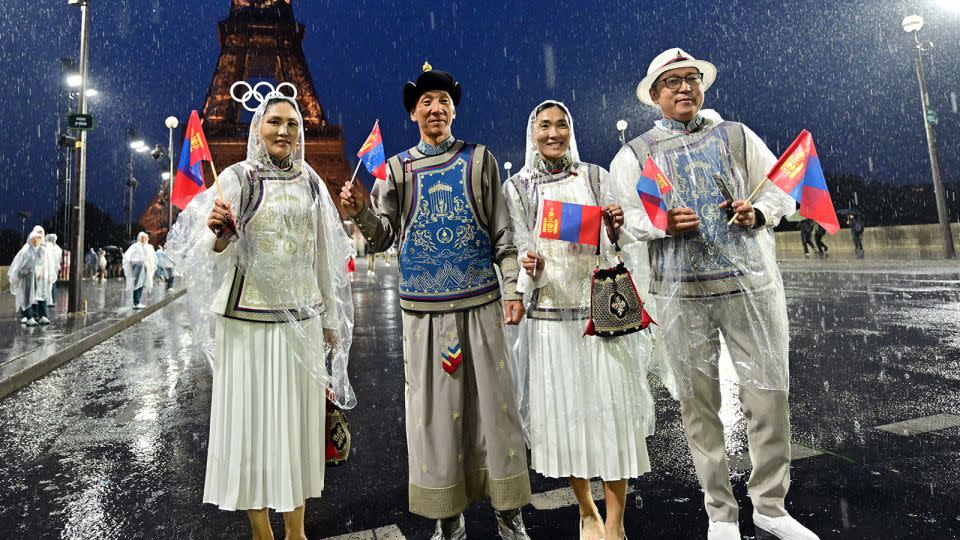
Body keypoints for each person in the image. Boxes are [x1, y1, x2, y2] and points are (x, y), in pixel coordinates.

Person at [611, 48, 819, 540]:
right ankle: (719, 513)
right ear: (655, 95)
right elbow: (622, 218)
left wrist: (758, 213)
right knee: (698, 407)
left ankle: (770, 505)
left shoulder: (736, 136)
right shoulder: (637, 153)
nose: (684, 88)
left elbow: (781, 188)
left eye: (691, 79)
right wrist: (662, 222)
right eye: (673, 82)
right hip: (679, 295)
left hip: (749, 285)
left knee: (769, 395)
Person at [340, 64, 531, 540]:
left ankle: (510, 515)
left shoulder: (480, 160)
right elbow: (383, 238)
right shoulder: (397, 170)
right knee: (435, 417)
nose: (436, 107)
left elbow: (503, 234)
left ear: (453, 109)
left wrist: (511, 289)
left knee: (496, 412)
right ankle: (450, 517)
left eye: (443, 100)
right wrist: (361, 210)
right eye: (426, 101)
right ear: (412, 113)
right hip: (423, 315)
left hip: (481, 305)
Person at [166, 88, 355, 540]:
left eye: (293, 124)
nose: (284, 130)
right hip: (246, 324)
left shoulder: (311, 181)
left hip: (303, 321)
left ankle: (296, 529)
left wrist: (329, 319)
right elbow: (204, 255)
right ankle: (261, 532)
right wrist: (219, 235)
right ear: (257, 129)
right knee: (251, 426)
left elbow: (324, 255)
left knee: (298, 427)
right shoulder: (235, 179)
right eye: (274, 122)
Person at [502, 100, 655, 540]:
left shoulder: (595, 176)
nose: (553, 134)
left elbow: (625, 239)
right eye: (544, 126)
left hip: (600, 318)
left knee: (614, 421)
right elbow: (516, 248)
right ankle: (586, 509)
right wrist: (526, 268)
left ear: (571, 130)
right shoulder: (517, 187)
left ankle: (615, 524)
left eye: (561, 125)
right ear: (532, 134)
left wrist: (615, 225)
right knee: (567, 425)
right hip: (550, 323)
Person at [9, 227, 51, 326]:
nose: (36, 240)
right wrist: (22, 273)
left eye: (38, 238)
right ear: (30, 240)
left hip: (41, 279)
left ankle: (43, 316)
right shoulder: (25, 251)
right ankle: (29, 317)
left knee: (41, 296)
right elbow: (18, 266)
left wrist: (48, 276)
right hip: (28, 279)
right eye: (33, 239)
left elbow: (48, 265)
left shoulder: (44, 251)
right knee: (27, 297)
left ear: (41, 239)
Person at [123, 232, 157, 309]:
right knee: (137, 284)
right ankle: (136, 302)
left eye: (145, 237)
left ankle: (137, 301)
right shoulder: (135, 246)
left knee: (142, 284)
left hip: (145, 268)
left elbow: (153, 257)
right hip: (137, 268)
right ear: (139, 238)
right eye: (142, 237)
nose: (144, 239)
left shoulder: (149, 247)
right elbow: (128, 255)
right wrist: (134, 261)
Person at [43, 233, 63, 309]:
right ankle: (52, 300)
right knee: (53, 283)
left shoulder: (45, 246)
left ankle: (47, 301)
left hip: (46, 268)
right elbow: (60, 259)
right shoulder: (58, 248)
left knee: (46, 285)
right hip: (55, 269)